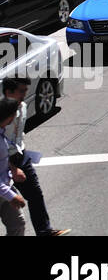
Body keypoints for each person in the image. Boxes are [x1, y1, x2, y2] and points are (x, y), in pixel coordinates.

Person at [2, 77, 69, 236]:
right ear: (8, 92)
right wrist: (13, 168)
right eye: (21, 91)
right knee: (9, 207)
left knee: (35, 194)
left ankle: (44, 231)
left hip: (21, 156)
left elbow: (18, 133)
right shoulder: (2, 113)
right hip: (5, 161)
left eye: (26, 90)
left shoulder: (23, 107)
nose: (25, 95)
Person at [0, 98, 25, 236]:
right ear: (10, 116)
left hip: (5, 187)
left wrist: (13, 168)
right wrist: (12, 196)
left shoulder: (2, 132)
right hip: (4, 190)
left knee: (18, 225)